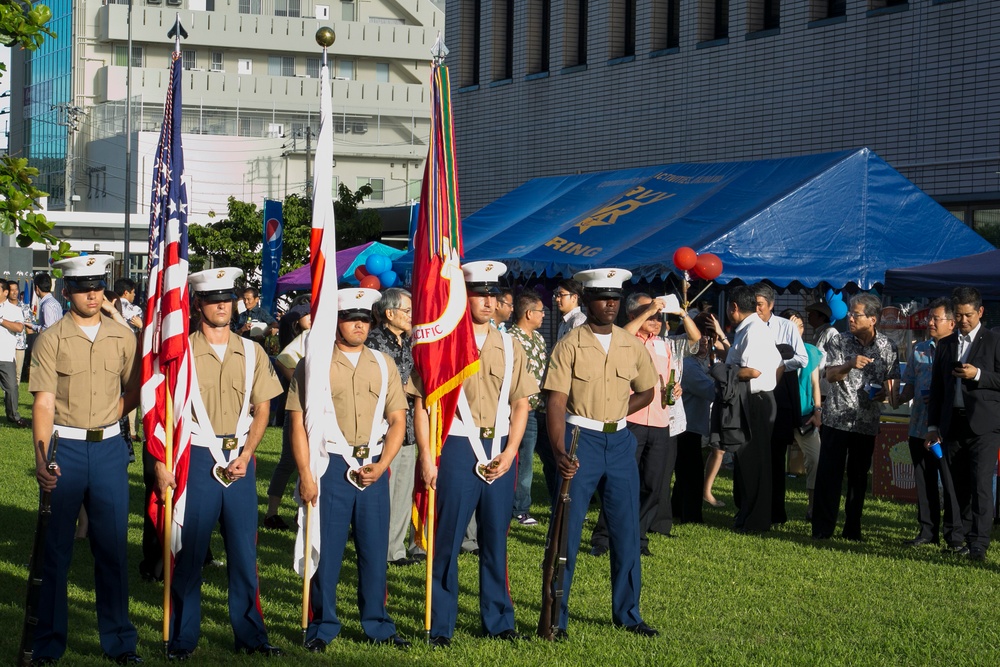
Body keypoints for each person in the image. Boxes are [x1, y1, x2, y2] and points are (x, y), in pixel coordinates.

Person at [154, 268, 284, 660]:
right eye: (213, 299)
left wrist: (246, 454)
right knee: (189, 552)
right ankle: (182, 638)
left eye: (227, 297)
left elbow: (263, 408)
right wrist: (161, 462)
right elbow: (161, 412)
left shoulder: (253, 352)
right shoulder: (181, 354)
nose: (222, 305)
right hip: (195, 457)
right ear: (197, 304)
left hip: (240, 459)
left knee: (245, 554)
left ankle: (251, 636)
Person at [411, 260, 536, 647]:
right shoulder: (441, 345)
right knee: (446, 540)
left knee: (495, 540)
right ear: (464, 297)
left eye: (492, 295)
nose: (486, 301)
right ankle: (442, 624)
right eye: (478, 294)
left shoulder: (512, 347)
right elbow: (420, 403)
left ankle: (498, 619)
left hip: (499, 446)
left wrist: (512, 450)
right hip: (457, 446)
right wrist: (427, 460)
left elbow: (521, 404)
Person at [28, 254, 143, 664]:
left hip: (111, 450)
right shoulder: (50, 339)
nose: (91, 293)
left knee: (111, 549)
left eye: (96, 285)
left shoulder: (123, 336)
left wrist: (116, 412)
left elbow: (135, 387)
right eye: (82, 287)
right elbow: (43, 403)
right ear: (67, 291)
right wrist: (43, 459)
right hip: (67, 448)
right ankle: (48, 644)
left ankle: (120, 642)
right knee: (56, 551)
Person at [289, 287, 411, 651]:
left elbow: (397, 419)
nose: (358, 325)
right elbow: (296, 423)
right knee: (325, 552)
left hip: (372, 465)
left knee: (375, 552)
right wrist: (307, 474)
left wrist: (384, 464)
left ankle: (378, 623)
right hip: (330, 464)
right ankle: (322, 625)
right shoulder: (314, 363)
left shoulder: (383, 363)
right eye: (349, 318)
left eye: (363, 318)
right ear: (336, 321)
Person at [543, 267, 659, 638]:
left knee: (626, 531)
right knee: (567, 533)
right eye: (602, 298)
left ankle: (628, 614)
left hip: (621, 442)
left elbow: (648, 390)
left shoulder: (631, 344)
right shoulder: (570, 344)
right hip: (581, 440)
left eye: (615, 298)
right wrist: (560, 449)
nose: (610, 304)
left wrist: (615, 411)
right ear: (588, 301)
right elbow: (556, 403)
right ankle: (555, 617)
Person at [590, 292, 699, 555]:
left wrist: (681, 312)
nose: (657, 319)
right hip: (631, 418)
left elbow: (695, 340)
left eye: (660, 315)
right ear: (633, 315)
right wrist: (648, 311)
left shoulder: (665, 344)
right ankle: (603, 537)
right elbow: (621, 336)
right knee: (619, 481)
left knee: (653, 484)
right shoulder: (624, 339)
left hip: (661, 420)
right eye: (651, 314)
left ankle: (637, 539)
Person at [812, 293, 899, 542]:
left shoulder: (888, 348)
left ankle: (852, 529)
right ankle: (822, 528)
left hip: (866, 421)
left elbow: (890, 388)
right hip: (837, 419)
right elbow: (830, 376)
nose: (850, 317)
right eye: (850, 313)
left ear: (872, 319)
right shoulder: (840, 341)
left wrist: (884, 393)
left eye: (856, 314)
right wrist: (850, 364)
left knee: (858, 478)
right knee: (829, 475)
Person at [927, 286, 1000, 562]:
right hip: (952, 424)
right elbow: (937, 389)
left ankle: (979, 543)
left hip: (984, 424)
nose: (963, 320)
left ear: (980, 312)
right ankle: (962, 537)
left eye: (968, 315)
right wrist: (933, 426)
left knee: (981, 484)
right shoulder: (946, 344)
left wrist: (978, 374)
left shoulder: (993, 341)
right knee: (957, 487)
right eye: (958, 315)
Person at [365, 287, 421, 566]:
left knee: (402, 490)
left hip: (408, 427)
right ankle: (376, 545)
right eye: (407, 311)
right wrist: (405, 389)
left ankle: (394, 550)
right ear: (390, 313)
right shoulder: (373, 342)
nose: (411, 316)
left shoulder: (409, 342)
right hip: (381, 428)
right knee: (382, 491)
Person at [722, 285, 782, 534]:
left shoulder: (754, 331)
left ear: (733, 307)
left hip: (755, 400)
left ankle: (756, 519)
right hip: (753, 398)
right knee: (746, 462)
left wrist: (723, 372)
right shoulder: (747, 329)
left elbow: (752, 371)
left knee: (755, 462)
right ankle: (747, 513)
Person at [898, 298, 955, 546]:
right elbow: (909, 382)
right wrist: (897, 397)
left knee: (951, 482)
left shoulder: (957, 351)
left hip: (947, 429)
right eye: (929, 317)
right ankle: (927, 531)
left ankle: (954, 534)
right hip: (920, 426)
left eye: (935, 318)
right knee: (924, 481)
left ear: (952, 323)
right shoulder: (919, 349)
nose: (929, 322)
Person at [752, 283, 806, 525]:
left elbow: (802, 358)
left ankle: (775, 512)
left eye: (760, 304)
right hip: (753, 396)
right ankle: (751, 508)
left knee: (775, 458)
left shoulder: (785, 327)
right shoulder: (748, 326)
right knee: (753, 455)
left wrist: (779, 364)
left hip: (779, 397)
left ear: (771, 305)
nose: (756, 309)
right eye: (753, 304)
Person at [263, 301, 313, 530]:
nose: (311, 316)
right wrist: (302, 382)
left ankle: (302, 513)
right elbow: (283, 359)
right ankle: (272, 512)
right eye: (307, 314)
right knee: (288, 461)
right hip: (299, 408)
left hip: (323, 412)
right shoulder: (309, 337)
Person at [671, 313, 718, 524]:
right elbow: (710, 390)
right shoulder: (688, 365)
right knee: (691, 473)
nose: (705, 343)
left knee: (685, 472)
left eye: (708, 339)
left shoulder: (697, 363)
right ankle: (690, 515)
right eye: (700, 338)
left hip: (691, 425)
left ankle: (677, 509)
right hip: (685, 427)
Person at [507, 288, 548, 525]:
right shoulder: (512, 339)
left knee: (549, 460)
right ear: (529, 313)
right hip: (525, 410)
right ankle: (520, 509)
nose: (544, 316)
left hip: (542, 408)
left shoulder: (539, 338)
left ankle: (558, 502)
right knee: (524, 462)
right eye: (541, 312)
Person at [782, 309, 823, 519]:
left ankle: (813, 507)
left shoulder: (811, 352)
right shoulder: (774, 351)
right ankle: (773, 506)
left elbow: (816, 383)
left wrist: (818, 410)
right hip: (780, 414)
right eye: (790, 325)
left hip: (806, 415)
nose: (795, 330)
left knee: (815, 459)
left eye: (798, 325)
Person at [0, 279, 27, 427]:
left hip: (5, 355)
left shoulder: (14, 310)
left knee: (11, 387)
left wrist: (1, 320)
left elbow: (19, 328)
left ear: (5, 292)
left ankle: (13, 416)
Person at [9, 281, 35, 382]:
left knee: (17, 373)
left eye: (16, 289)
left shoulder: (24, 307)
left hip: (19, 345)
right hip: (5, 344)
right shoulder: (3, 307)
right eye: (12, 290)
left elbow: (30, 327)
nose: (15, 292)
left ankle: (12, 396)